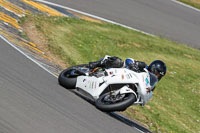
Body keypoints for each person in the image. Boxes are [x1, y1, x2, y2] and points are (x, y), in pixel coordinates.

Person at [89, 55, 167, 91]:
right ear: (153, 68)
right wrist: (133, 66)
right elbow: (129, 59)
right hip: (121, 74)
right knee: (118, 62)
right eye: (157, 73)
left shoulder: (151, 85)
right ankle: (96, 64)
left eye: (159, 76)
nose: (156, 76)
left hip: (124, 86)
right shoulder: (143, 66)